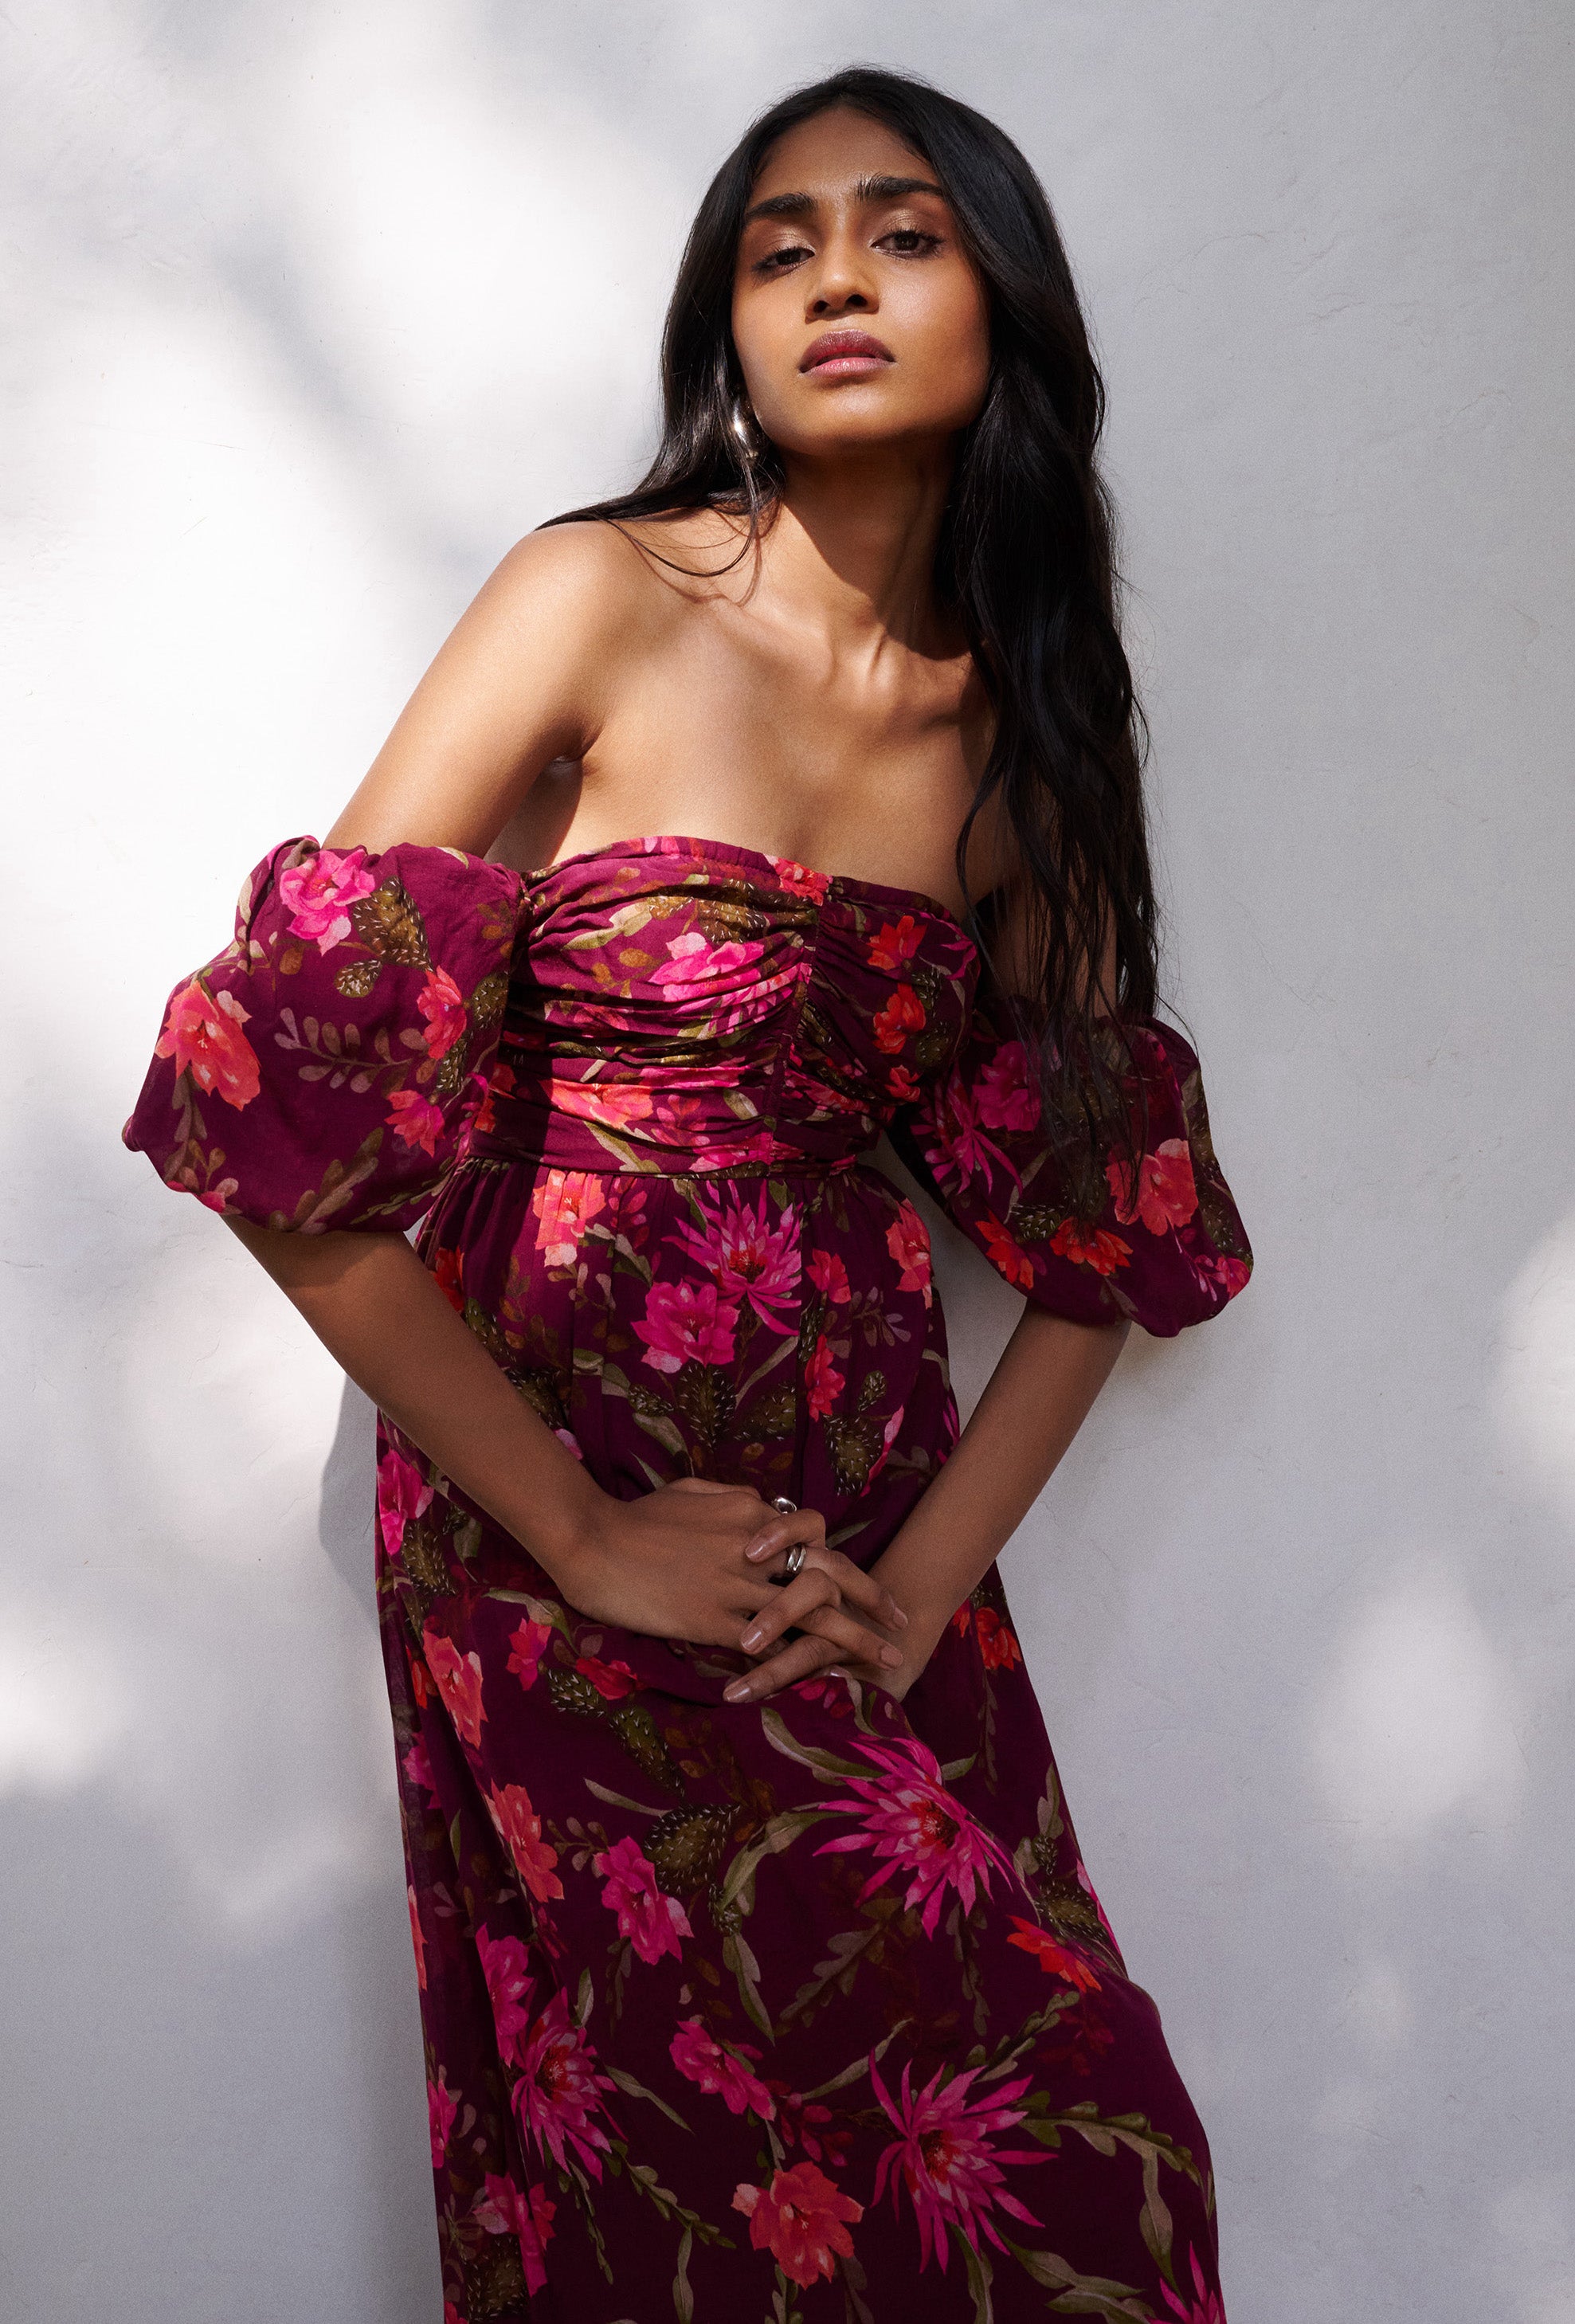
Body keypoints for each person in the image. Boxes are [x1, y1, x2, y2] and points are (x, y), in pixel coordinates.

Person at [124, 65, 1251, 2323]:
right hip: (555, 1516)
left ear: (1003, 305)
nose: (833, 269)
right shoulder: (597, 599)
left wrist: (924, 1593)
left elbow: (1103, 1243)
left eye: (902, 230)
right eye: (776, 242)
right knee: (685, 2209)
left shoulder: (1014, 732)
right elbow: (277, 1130)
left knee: (1072, 2182)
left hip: (844, 1531)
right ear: (721, 327)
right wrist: (574, 1531)